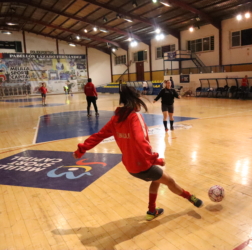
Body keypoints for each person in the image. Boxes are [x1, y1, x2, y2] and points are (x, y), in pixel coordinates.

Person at [73, 85, 203, 221]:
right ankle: (190, 197)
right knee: (170, 181)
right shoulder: (135, 117)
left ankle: (152, 210)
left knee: (157, 179)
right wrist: (154, 159)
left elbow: (99, 135)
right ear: (135, 101)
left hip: (130, 166)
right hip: (142, 165)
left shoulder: (116, 119)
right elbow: (140, 141)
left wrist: (81, 150)